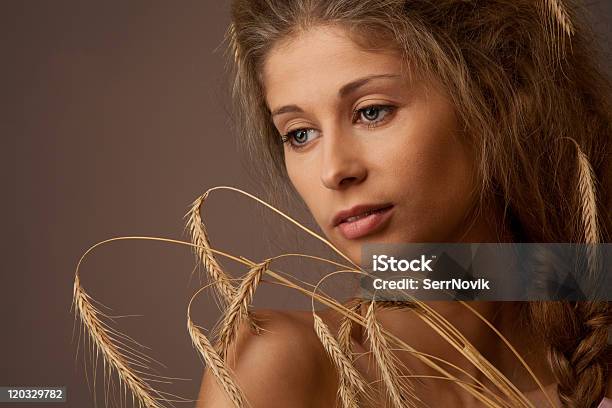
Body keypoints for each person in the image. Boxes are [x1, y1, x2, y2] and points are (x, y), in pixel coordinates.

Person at [196, 0, 612, 406]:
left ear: (493, 98)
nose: (333, 170)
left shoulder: (595, 350)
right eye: (299, 134)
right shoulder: (276, 364)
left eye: (372, 111)